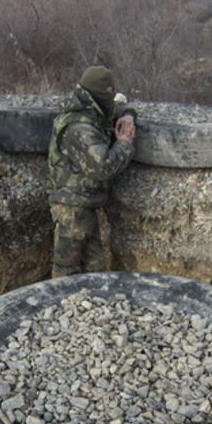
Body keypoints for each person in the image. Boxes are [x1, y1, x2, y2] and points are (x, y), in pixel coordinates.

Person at [48, 65, 137, 278]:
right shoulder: (79, 128)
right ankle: (63, 309)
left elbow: (116, 106)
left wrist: (128, 115)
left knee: (95, 269)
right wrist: (124, 144)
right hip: (72, 208)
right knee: (66, 273)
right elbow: (103, 167)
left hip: (86, 205)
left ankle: (90, 308)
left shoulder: (88, 107)